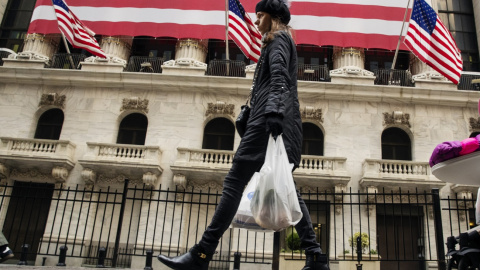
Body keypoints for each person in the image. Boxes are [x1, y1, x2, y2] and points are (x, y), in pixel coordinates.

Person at [157, 0, 329, 269]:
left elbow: (279, 77)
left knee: (235, 182)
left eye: (260, 16)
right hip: (274, 122)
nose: (256, 21)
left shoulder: (279, 40)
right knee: (289, 190)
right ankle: (315, 255)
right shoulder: (280, 41)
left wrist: (271, 112)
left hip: (268, 123)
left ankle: (201, 253)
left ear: (272, 17)